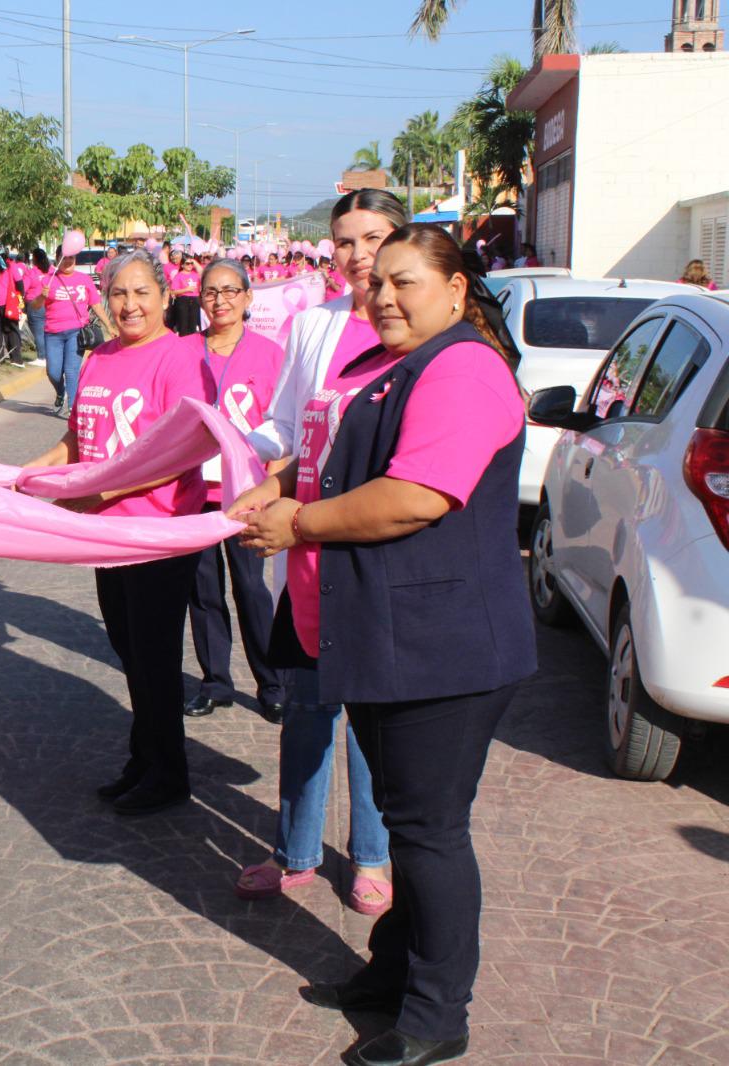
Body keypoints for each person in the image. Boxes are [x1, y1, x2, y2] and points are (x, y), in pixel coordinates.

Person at [236, 222, 533, 1066]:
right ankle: (391, 973)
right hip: (379, 636)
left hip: (444, 645)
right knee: (408, 822)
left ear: (456, 289)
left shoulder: (464, 366)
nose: (385, 296)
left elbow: (416, 496)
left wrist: (300, 524)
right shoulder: (377, 362)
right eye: (376, 283)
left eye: (405, 281)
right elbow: (325, 457)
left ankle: (438, 1015)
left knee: (429, 829)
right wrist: (276, 486)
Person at [235, 190, 407, 917]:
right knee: (306, 712)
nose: (358, 255)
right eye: (344, 241)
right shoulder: (312, 326)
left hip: (375, 558)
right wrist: (238, 459)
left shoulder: (417, 335)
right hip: (304, 559)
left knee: (369, 723)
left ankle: (372, 857)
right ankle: (295, 853)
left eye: (374, 238)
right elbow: (284, 429)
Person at [21, 250, 207, 816]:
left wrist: (98, 494)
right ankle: (144, 757)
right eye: (118, 293)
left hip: (156, 535)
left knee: (154, 658)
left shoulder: (179, 359)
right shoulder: (99, 357)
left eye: (141, 292)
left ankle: (168, 773)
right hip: (106, 538)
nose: (129, 304)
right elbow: (76, 443)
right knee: (130, 652)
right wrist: (29, 476)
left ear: (165, 297)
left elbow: (180, 453)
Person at [183, 258, 288, 722]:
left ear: (247, 297)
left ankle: (273, 683)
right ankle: (215, 682)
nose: (220, 300)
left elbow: (285, 428)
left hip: (248, 494)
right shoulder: (184, 351)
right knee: (203, 591)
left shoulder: (271, 354)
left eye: (229, 291)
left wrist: (276, 489)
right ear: (199, 299)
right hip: (193, 492)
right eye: (210, 292)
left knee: (251, 589)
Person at [40, 229, 104, 416]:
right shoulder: (48, 280)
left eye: (72, 259)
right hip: (52, 333)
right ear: (58, 259)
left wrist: (110, 325)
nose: (68, 262)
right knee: (53, 371)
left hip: (76, 331)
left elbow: (96, 304)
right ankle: (60, 393)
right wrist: (40, 296)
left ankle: (72, 407)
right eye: (65, 258)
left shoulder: (84, 279)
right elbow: (35, 306)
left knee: (71, 370)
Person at [23, 247, 51, 361]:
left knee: (38, 332)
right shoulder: (51, 271)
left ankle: (42, 357)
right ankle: (50, 355)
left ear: (34, 259)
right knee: (49, 331)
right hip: (49, 303)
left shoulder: (31, 273)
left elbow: (23, 288)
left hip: (34, 304)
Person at [170, 254, 203, 336]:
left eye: (191, 263)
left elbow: (203, 273)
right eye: (187, 263)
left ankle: (192, 343)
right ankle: (183, 343)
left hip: (195, 300)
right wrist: (186, 289)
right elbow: (173, 292)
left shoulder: (195, 274)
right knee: (183, 325)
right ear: (182, 265)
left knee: (193, 325)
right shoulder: (178, 276)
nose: (190, 265)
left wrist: (194, 261)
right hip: (183, 301)